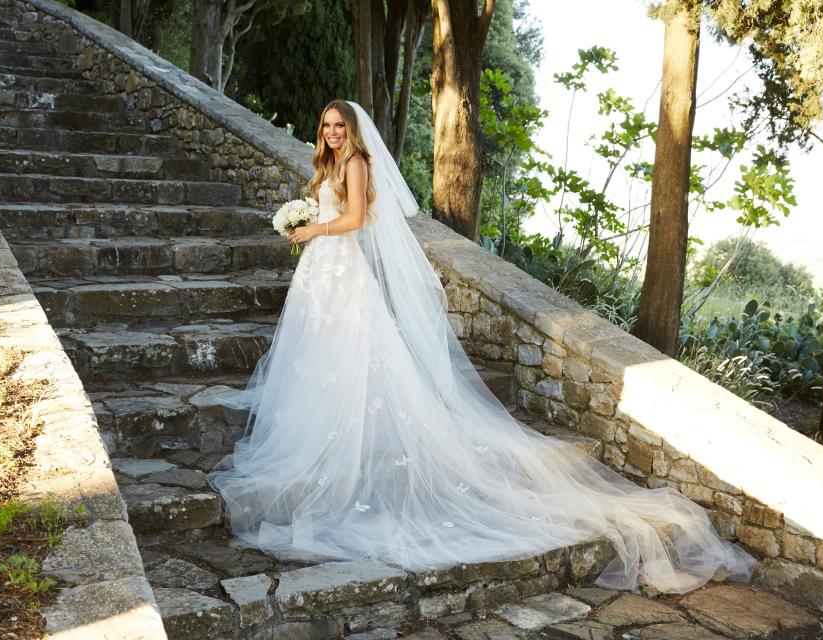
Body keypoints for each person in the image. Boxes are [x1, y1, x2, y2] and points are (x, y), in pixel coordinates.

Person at [208, 99, 754, 593]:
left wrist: (311, 231)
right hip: (325, 275)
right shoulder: (327, 165)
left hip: (341, 268)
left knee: (353, 359)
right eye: (325, 125)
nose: (330, 132)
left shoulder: (357, 164)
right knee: (322, 361)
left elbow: (352, 220)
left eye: (338, 125)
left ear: (353, 131)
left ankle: (349, 450)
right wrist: (308, 225)